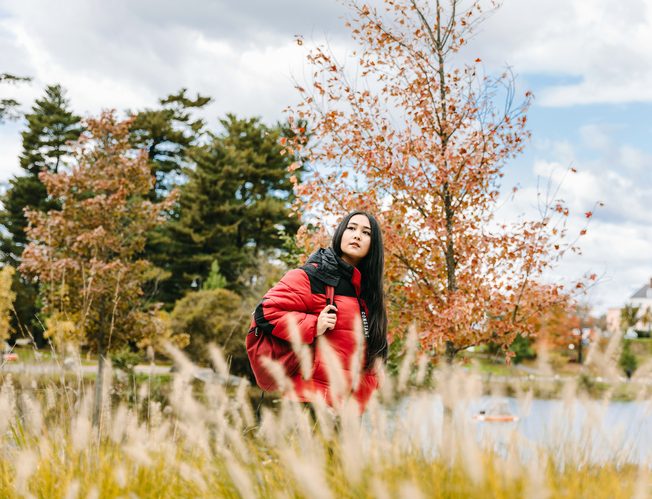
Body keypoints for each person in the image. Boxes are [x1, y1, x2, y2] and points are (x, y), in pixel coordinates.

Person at [250, 211, 388, 413]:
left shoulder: (368, 292)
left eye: (366, 232)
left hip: (348, 408)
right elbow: (265, 311)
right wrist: (314, 325)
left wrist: (375, 375)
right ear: (340, 233)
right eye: (351, 228)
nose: (357, 235)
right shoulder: (313, 276)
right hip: (310, 401)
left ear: (373, 245)